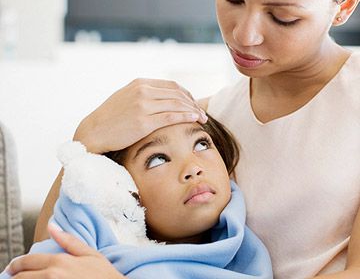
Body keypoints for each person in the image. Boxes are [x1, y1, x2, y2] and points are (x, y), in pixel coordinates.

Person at [9, 0, 360, 278]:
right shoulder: (201, 122)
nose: (244, 33)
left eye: (282, 17)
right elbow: (53, 256)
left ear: (344, 7)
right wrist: (87, 138)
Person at [4, 117, 273, 278]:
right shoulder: (88, 241)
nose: (193, 168)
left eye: (202, 144)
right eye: (158, 159)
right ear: (124, 187)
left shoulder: (248, 257)